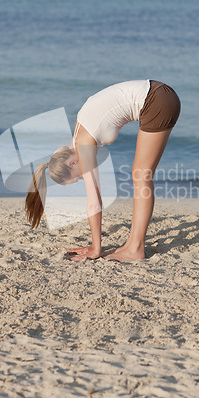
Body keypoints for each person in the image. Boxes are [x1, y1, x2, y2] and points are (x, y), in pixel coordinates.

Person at [25, 79, 181, 262]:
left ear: (72, 164)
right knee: (140, 174)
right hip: (158, 94)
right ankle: (132, 243)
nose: (83, 178)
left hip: (156, 100)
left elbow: (94, 201)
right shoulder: (78, 136)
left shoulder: (83, 145)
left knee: (141, 175)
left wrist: (96, 248)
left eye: (77, 178)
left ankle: (136, 248)